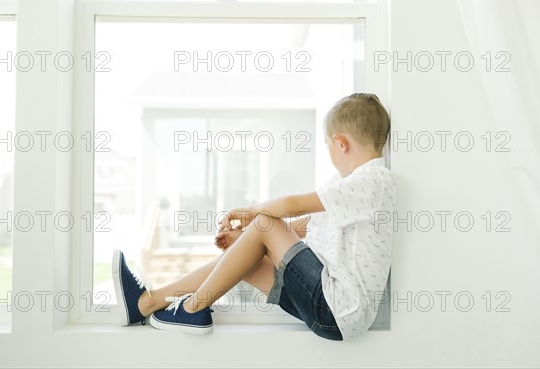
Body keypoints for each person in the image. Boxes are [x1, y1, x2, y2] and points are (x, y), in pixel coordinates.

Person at [112, 93, 396, 341]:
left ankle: (193, 308)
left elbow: (294, 205)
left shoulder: (374, 179)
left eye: (327, 146)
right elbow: (305, 226)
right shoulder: (354, 188)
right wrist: (249, 240)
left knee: (264, 224)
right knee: (245, 261)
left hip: (336, 307)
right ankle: (147, 302)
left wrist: (252, 215)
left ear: (341, 142)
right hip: (333, 311)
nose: (329, 152)